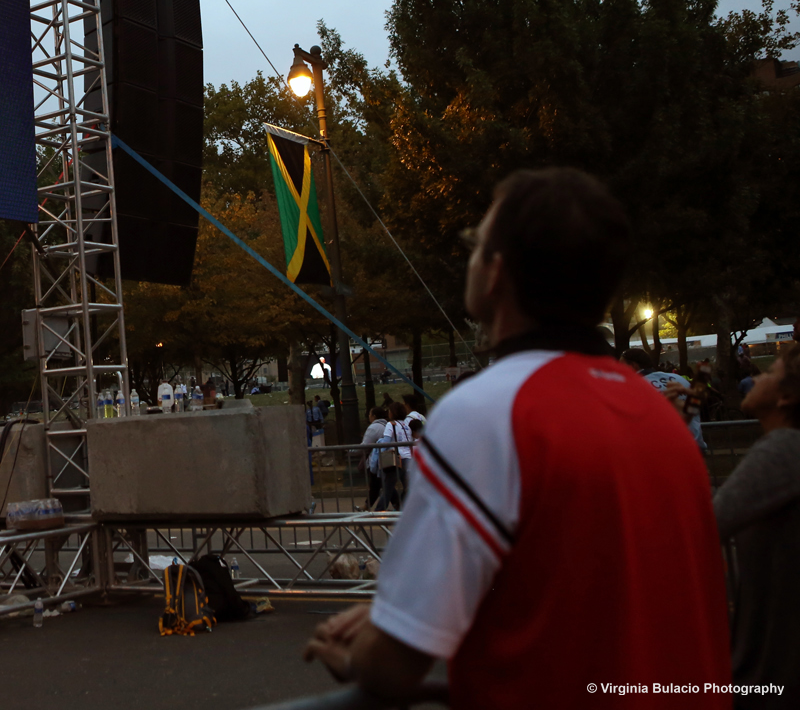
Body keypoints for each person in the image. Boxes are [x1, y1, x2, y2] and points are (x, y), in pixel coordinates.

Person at [302, 168, 730, 707]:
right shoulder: (658, 413)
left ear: (497, 272)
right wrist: (415, 609)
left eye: (475, 245)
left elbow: (393, 667)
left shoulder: (487, 412)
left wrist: (365, 651)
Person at [711, 342, 800, 705]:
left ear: (786, 397)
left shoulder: (782, 450)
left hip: (773, 674)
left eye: (770, 372)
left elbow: (703, 526)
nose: (757, 377)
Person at [622, 347, 705, 449]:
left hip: (665, 449)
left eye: (620, 366)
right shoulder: (679, 379)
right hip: (695, 445)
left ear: (632, 366)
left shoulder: (634, 386)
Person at [371, 401, 413, 511]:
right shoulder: (406, 425)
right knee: (408, 486)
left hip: (395, 459)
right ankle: (404, 508)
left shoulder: (391, 424)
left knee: (388, 486)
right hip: (407, 458)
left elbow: (386, 441)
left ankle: (379, 510)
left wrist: (380, 455)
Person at [359, 408, 387, 510]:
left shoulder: (374, 427)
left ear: (374, 416)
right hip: (387, 458)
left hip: (376, 460)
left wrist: (352, 451)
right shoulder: (386, 425)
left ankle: (371, 507)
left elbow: (365, 444)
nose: (369, 417)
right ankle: (367, 505)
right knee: (381, 484)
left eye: (370, 414)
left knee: (377, 484)